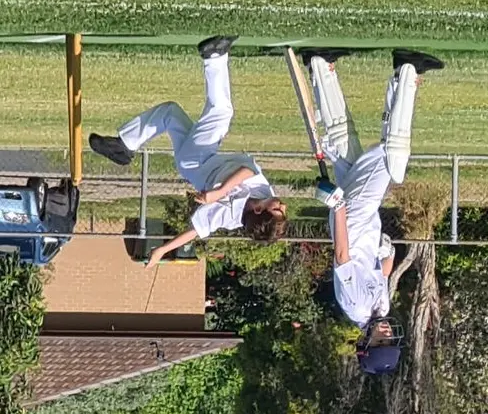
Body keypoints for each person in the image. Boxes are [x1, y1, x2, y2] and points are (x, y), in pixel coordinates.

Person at [88, 36, 287, 267]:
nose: (282, 205)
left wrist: (163, 249)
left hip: (197, 160)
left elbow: (195, 231)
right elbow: (245, 171)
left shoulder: (228, 217)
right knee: (170, 113)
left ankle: (214, 55)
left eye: (277, 210)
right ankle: (123, 146)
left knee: (221, 112)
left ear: (260, 209)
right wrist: (219, 192)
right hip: (198, 159)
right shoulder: (263, 191)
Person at [302, 46, 443, 370]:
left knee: (394, 162)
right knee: (343, 145)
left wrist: (337, 206)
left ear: (364, 342)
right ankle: (321, 66)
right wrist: (388, 251)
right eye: (390, 339)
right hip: (365, 220)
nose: (385, 333)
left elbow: (342, 256)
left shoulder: (356, 305)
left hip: (352, 218)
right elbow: (383, 270)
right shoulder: (379, 306)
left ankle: (406, 72)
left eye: (380, 340)